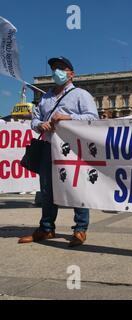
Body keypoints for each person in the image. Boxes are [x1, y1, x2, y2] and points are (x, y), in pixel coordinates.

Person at [19, 56, 99, 248]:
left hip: (71, 149)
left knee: (76, 186)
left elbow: (92, 118)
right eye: (54, 68)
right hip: (48, 147)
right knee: (47, 189)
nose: (57, 72)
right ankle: (46, 228)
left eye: (61, 68)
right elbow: (35, 120)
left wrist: (68, 117)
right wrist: (41, 125)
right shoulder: (46, 97)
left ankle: (80, 228)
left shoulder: (81, 94)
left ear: (71, 74)